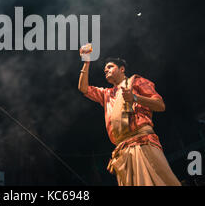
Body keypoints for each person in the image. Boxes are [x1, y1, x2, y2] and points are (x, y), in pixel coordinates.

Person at [78, 50, 181, 186]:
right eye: (105, 69)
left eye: (110, 67)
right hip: (122, 152)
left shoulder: (136, 81)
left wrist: (135, 98)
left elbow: (160, 105)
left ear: (122, 69)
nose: (106, 70)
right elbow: (83, 88)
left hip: (143, 143)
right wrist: (86, 61)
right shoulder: (106, 94)